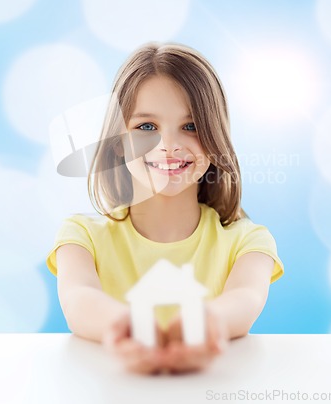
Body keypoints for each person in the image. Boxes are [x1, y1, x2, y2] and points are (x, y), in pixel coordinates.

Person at [46, 42, 284, 374]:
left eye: (191, 126)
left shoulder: (249, 243)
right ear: (117, 144)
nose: (169, 146)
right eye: (146, 127)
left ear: (216, 138)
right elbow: (78, 298)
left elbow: (245, 298)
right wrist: (126, 328)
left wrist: (206, 325)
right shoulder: (81, 237)